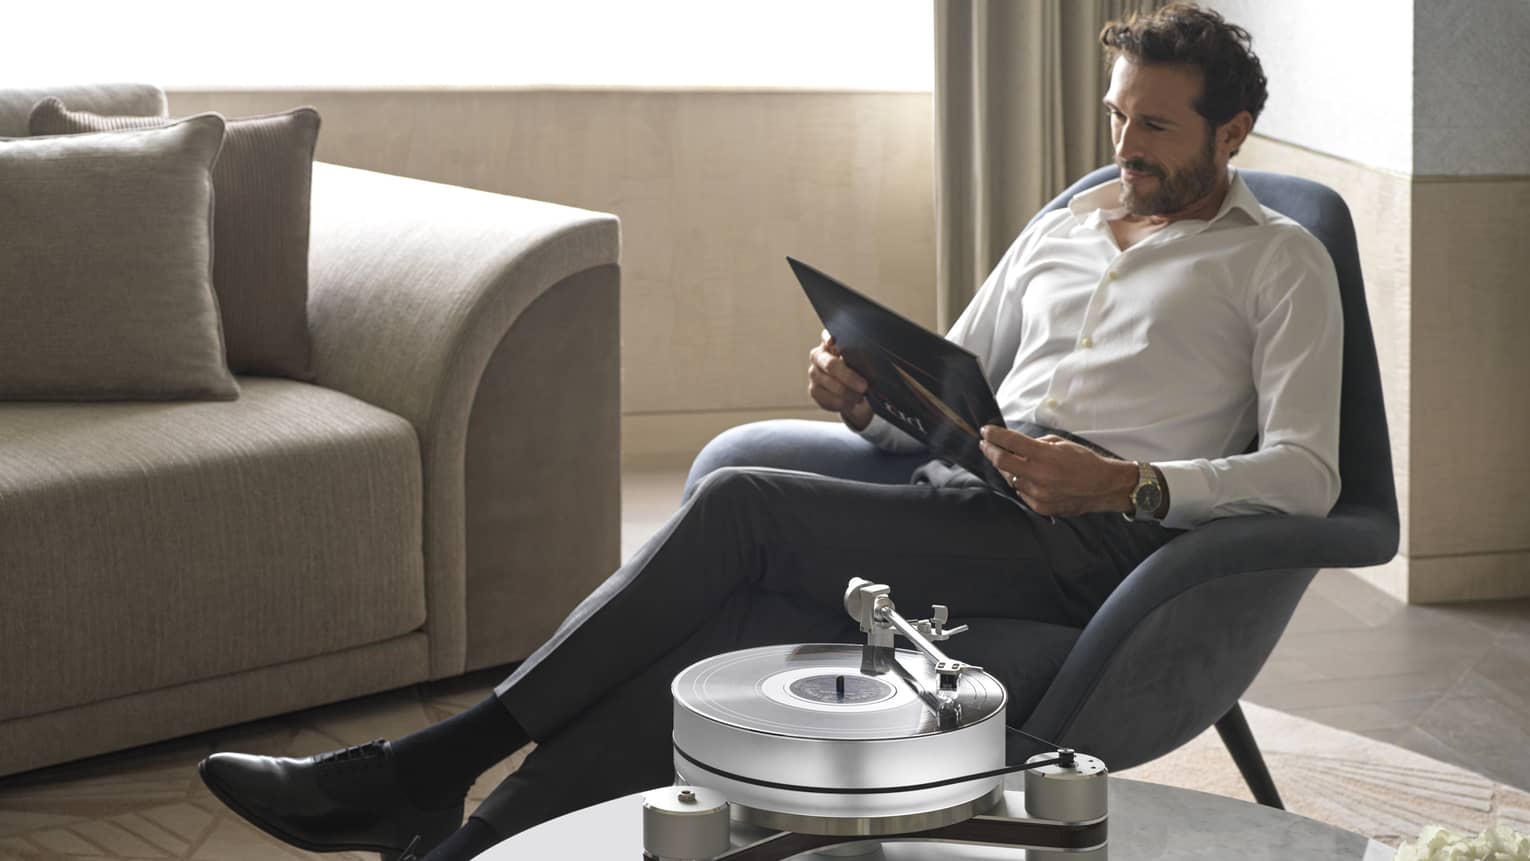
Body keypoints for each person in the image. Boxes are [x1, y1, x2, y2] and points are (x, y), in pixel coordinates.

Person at [197, 4, 1341, 860]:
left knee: (743, 507)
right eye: (1115, 114)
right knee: (736, 617)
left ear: (1232, 132)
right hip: (963, 503)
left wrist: (1127, 485)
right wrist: (868, 398)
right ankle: (465, 840)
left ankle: (422, 766)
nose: (1125, 143)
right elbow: (955, 386)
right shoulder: (1066, 226)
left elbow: (1309, 475)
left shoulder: (1280, 263)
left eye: (1156, 124)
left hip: (1086, 547)